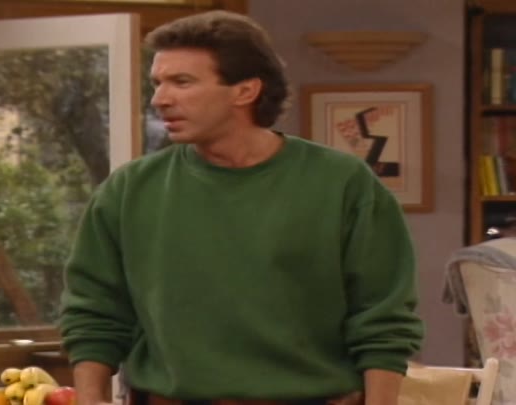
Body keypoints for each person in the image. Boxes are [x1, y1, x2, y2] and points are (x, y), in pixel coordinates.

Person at [58, 10, 423, 405]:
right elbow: (94, 311)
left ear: (245, 91)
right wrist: (91, 398)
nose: (160, 99)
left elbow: (383, 318)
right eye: (157, 83)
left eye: (182, 82)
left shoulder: (342, 184)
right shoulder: (130, 190)